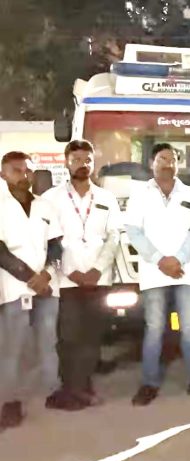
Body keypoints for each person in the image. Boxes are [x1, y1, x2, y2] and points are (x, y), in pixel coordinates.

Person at [125, 143, 190, 406]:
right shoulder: (139, 194)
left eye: (173, 159)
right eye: (162, 159)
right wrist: (159, 260)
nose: (168, 163)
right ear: (152, 163)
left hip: (186, 271)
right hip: (154, 271)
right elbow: (134, 232)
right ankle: (149, 383)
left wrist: (178, 259)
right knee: (154, 329)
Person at [42, 140, 121, 410]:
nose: (82, 165)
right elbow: (51, 241)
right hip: (67, 280)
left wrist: (97, 270)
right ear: (66, 162)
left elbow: (113, 238)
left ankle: (83, 385)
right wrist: (72, 272)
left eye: (87, 160)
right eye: (76, 160)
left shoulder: (106, 198)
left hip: (99, 278)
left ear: (93, 163)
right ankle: (71, 389)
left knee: (92, 336)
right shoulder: (51, 198)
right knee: (68, 337)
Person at [0, 151, 61, 429]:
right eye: (16, 170)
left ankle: (53, 391)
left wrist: (46, 274)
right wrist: (30, 278)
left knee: (48, 341)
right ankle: (10, 402)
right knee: (13, 346)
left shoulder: (45, 206)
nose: (24, 176)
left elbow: (57, 246)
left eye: (27, 171)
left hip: (48, 285)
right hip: (15, 286)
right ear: (3, 174)